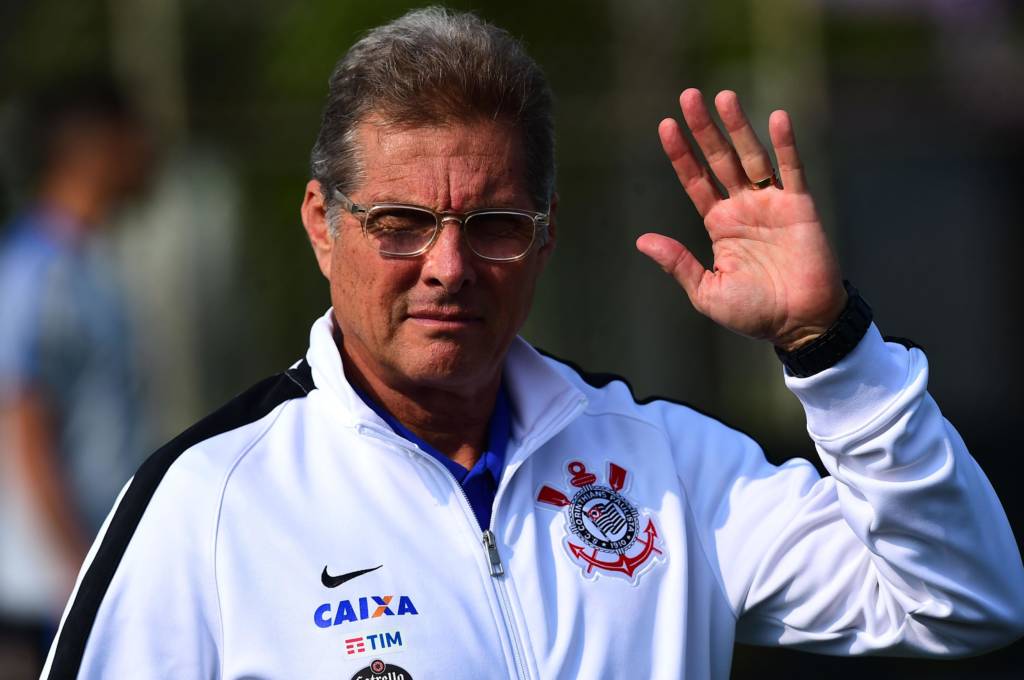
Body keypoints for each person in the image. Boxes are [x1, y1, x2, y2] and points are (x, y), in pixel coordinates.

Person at [43, 8, 1023, 679]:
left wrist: (830, 345)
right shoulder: (207, 501)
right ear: (320, 223)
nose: (449, 265)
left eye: (496, 225)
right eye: (400, 221)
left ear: (546, 234)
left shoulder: (667, 466)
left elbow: (963, 597)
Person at [0, 79, 151, 671]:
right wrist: (77, 569)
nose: (148, 150)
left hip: (84, 572)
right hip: (48, 590)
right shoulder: (35, 273)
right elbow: (24, 427)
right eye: (135, 135)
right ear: (96, 147)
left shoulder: (91, 261)